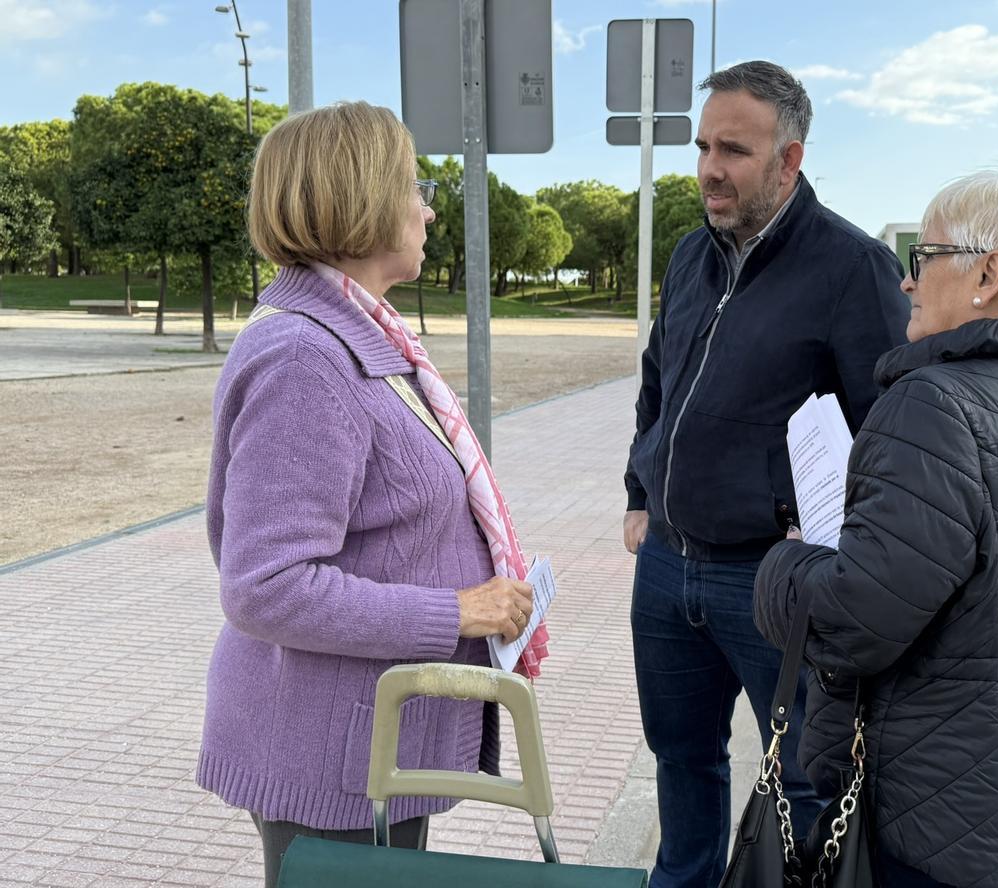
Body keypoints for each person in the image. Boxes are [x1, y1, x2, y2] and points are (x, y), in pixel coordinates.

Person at [196, 101, 547, 888]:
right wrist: (459, 611)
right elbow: (266, 588)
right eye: (413, 185)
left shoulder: (363, 337)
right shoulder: (304, 358)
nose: (427, 206)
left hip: (364, 747)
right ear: (359, 200)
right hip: (334, 762)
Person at [753, 164, 998, 888]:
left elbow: (855, 617)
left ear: (988, 274)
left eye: (925, 256)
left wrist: (785, 564)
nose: (907, 281)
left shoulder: (936, 403)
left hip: (938, 814)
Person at [622, 61, 909, 888]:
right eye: (705, 145)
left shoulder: (853, 269)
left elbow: (886, 431)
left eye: (735, 151)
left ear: (789, 160)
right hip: (668, 567)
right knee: (681, 763)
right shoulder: (688, 256)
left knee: (804, 781)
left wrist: (833, 549)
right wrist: (641, 493)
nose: (710, 166)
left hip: (772, 581)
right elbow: (657, 381)